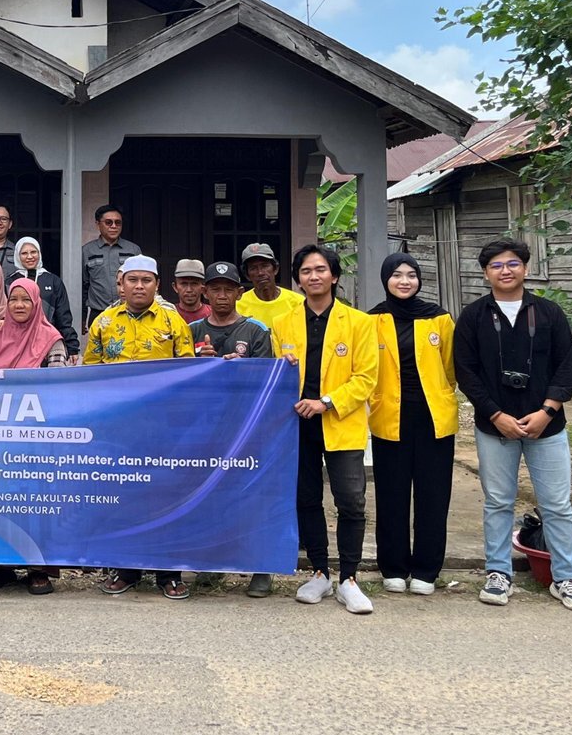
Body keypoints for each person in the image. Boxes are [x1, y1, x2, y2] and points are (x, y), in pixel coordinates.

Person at [455, 239, 572, 613]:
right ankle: (498, 573)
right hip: (493, 426)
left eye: (512, 263)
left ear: (525, 268)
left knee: (557, 504)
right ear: (486, 273)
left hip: (546, 425)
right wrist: (495, 415)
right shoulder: (473, 317)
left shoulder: (548, 313)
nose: (505, 271)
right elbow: (466, 371)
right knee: (498, 502)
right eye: (496, 266)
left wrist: (548, 410)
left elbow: (567, 366)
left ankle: (566, 577)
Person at [272, 244, 379, 615]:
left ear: (334, 275)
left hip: (341, 422)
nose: (313, 276)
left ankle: (349, 578)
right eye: (305, 271)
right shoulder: (283, 322)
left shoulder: (360, 322)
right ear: (298, 279)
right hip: (297, 425)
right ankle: (319, 571)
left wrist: (327, 402)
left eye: (320, 270)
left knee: (351, 500)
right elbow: (275, 376)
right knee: (306, 498)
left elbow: (366, 378)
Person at [84, 255, 196, 600]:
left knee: (165, 497)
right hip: (118, 429)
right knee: (124, 498)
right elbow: (89, 375)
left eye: (146, 280)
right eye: (132, 280)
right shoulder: (102, 323)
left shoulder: (173, 322)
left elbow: (190, 372)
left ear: (157, 285)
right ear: (121, 284)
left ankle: (169, 573)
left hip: (163, 428)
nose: (139, 286)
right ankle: (126, 570)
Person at [369, 253, 457, 597]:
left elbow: (450, 368)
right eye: (397, 275)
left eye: (411, 275)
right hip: (389, 417)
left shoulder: (439, 318)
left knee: (433, 495)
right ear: (385, 279)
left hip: (433, 418)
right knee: (391, 494)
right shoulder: (372, 319)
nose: (404, 281)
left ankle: (425, 569)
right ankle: (392, 567)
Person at [0, 275, 69, 596]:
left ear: (36, 303)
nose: (18, 305)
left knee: (34, 498)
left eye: (25, 300)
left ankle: (38, 568)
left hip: (36, 434)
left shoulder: (51, 339)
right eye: (13, 299)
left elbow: (56, 388)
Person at [189, 261, 277, 598]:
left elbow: (266, 382)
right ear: (205, 292)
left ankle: (260, 568)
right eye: (215, 289)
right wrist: (203, 365)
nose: (222, 295)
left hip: (247, 430)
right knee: (210, 499)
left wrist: (240, 370)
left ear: (239, 292)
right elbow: (182, 381)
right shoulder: (194, 331)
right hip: (206, 431)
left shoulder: (256, 331)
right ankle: (211, 566)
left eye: (229, 288)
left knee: (252, 498)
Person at [13, 236, 78, 354]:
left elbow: (63, 317)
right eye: (24, 253)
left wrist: (72, 346)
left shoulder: (53, 281)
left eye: (33, 252)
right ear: (17, 256)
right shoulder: (10, 281)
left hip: (48, 342)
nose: (29, 256)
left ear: (39, 254)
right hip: (17, 342)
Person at [80, 203, 140, 326]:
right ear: (98, 224)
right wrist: (82, 317)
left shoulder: (133, 250)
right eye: (108, 222)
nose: (114, 226)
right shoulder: (86, 251)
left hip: (130, 312)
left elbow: (142, 281)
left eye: (118, 223)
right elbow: (83, 287)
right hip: (99, 313)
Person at [237, 243, 304, 327]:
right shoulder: (238, 305)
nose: (260, 273)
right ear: (247, 275)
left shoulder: (297, 302)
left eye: (265, 266)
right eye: (253, 268)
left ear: (275, 269)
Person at [171, 259, 211, 323]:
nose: (189, 290)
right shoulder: (167, 315)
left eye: (194, 283)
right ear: (175, 287)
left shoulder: (213, 315)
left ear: (203, 287)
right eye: (184, 284)